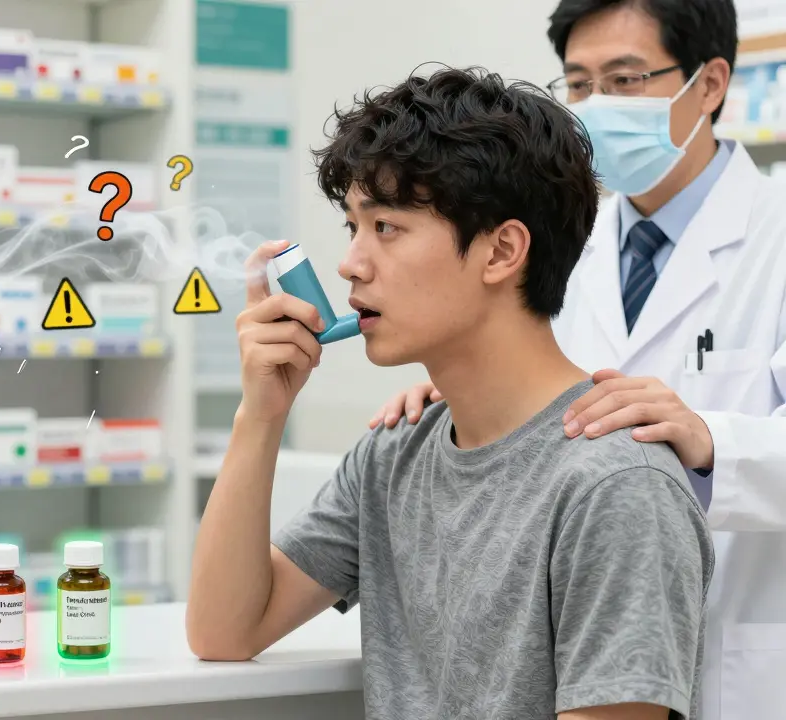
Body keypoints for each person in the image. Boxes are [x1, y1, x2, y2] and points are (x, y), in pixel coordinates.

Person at [187, 66, 714, 720]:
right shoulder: (393, 456)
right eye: (353, 226)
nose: (350, 262)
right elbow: (223, 631)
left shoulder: (616, 487)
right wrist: (260, 414)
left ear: (502, 252)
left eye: (385, 227)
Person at [371, 2, 786, 717]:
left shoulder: (774, 238)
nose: (598, 108)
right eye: (581, 84)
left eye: (625, 80)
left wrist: (715, 441)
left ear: (711, 83)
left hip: (744, 669)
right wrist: (462, 391)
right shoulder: (566, 244)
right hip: (583, 663)